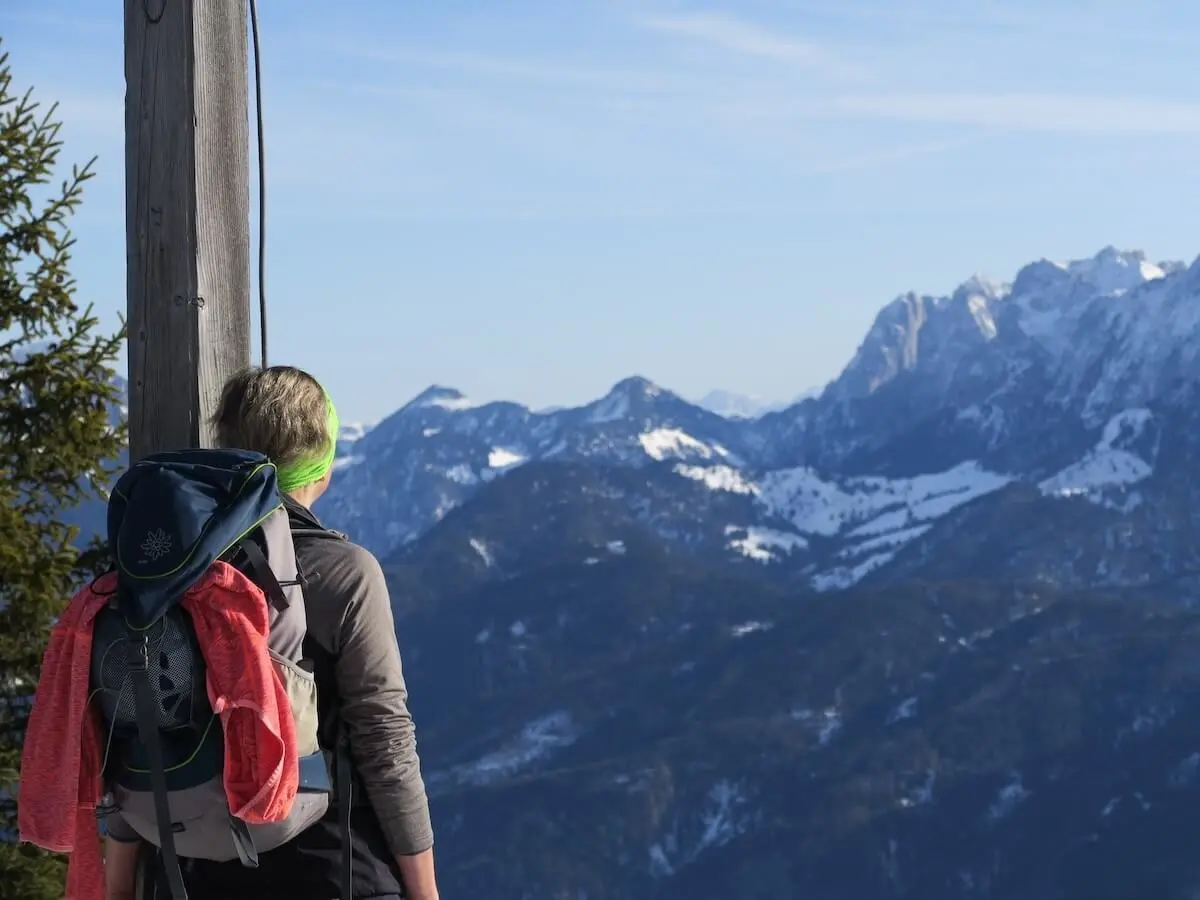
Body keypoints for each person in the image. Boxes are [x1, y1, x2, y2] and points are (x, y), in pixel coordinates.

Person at [103, 365, 438, 900]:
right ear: (323, 461)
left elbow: (136, 716)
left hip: (186, 865)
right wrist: (425, 890)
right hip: (330, 866)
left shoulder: (168, 568)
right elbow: (384, 739)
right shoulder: (342, 572)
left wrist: (117, 882)